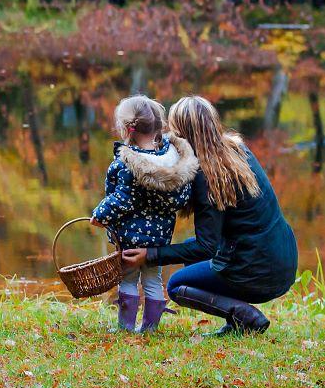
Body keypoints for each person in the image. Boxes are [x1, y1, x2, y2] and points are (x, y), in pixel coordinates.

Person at [119, 95, 297, 335]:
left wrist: (150, 255)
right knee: (191, 259)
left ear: (183, 134)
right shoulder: (236, 149)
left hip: (258, 268)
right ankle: (237, 321)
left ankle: (245, 317)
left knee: (176, 285)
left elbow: (206, 247)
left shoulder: (207, 176)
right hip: (282, 259)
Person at [89, 95, 198, 333]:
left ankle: (125, 326)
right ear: (158, 126)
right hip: (158, 242)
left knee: (128, 279)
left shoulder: (128, 163)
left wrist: (99, 215)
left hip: (130, 238)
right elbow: (180, 198)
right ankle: (150, 328)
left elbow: (122, 199)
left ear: (127, 129)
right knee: (152, 279)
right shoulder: (173, 163)